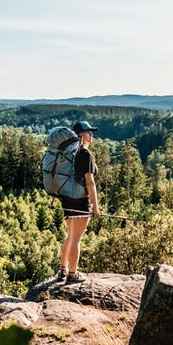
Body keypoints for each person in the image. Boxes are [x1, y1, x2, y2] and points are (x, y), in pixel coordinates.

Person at [56, 120, 101, 283]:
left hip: (67, 199)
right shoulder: (85, 154)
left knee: (70, 235)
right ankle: (72, 274)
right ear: (82, 135)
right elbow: (90, 182)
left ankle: (63, 270)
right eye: (89, 133)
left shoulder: (69, 153)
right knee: (76, 239)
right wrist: (95, 208)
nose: (92, 135)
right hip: (81, 200)